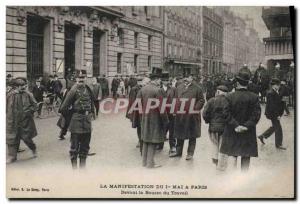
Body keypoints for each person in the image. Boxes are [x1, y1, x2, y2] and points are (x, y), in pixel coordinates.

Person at [220, 68, 261, 172]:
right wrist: (246, 126)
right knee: (246, 157)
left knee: (232, 156)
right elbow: (256, 115)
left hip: (232, 132)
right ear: (247, 83)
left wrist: (236, 125)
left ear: (237, 83)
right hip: (248, 133)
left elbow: (225, 114)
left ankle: (232, 181)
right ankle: (243, 181)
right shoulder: (254, 97)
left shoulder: (229, 97)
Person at [59, 70, 96, 169]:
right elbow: (63, 108)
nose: (81, 79)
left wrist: (92, 113)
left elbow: (92, 101)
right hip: (76, 122)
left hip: (87, 122)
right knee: (74, 148)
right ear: (76, 79)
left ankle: (82, 170)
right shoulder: (72, 90)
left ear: (85, 78)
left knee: (85, 147)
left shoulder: (88, 88)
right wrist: (71, 118)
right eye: (79, 78)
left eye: (83, 77)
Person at [137, 74, 169, 168]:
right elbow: (161, 107)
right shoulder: (158, 90)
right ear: (156, 79)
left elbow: (138, 103)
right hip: (155, 119)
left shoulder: (143, 89)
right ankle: (150, 163)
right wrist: (166, 120)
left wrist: (142, 114)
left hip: (145, 117)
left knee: (146, 139)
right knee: (152, 141)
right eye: (159, 79)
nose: (160, 81)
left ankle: (144, 162)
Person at [170, 74, 205, 160]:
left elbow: (201, 100)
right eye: (185, 78)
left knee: (192, 136)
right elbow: (175, 99)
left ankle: (190, 153)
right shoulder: (179, 87)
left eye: (188, 78)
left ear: (192, 79)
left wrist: (195, 109)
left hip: (192, 116)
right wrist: (174, 111)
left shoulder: (197, 88)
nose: (186, 79)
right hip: (180, 115)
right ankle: (178, 152)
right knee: (179, 134)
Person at [6, 77, 38, 164]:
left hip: (25, 121)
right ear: (16, 87)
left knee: (27, 138)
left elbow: (35, 105)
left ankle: (33, 148)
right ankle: (12, 156)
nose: (23, 87)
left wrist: (29, 112)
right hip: (12, 122)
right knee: (11, 139)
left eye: (24, 86)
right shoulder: (9, 95)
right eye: (21, 86)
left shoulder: (28, 94)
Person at [202, 85, 229, 169]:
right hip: (225, 127)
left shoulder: (211, 101)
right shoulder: (228, 101)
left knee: (214, 144)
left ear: (217, 92)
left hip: (213, 127)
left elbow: (205, 113)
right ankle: (222, 165)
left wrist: (208, 121)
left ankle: (215, 160)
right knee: (223, 145)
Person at [257, 78, 286, 150]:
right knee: (278, 128)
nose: (279, 86)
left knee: (274, 127)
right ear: (274, 85)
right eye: (278, 85)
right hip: (273, 114)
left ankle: (262, 136)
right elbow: (272, 106)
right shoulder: (271, 93)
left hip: (274, 113)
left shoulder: (275, 92)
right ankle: (278, 144)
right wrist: (277, 115)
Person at [126, 77, 150, 155]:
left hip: (145, 112)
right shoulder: (134, 89)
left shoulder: (147, 89)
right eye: (146, 83)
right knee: (140, 128)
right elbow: (132, 102)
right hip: (138, 112)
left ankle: (143, 144)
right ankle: (141, 145)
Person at [156, 73, 177, 155]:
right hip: (162, 114)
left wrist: (175, 111)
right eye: (164, 80)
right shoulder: (159, 90)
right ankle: (160, 144)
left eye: (167, 80)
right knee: (162, 130)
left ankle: (172, 146)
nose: (166, 82)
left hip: (171, 114)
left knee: (172, 131)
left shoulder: (173, 89)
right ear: (162, 81)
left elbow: (176, 101)